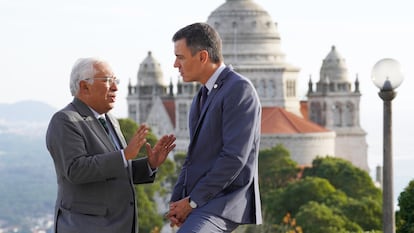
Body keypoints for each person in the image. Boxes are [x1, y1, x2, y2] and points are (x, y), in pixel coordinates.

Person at [46, 57, 176, 233]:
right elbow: (76, 170)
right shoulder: (65, 120)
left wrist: (149, 164)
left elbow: (117, 171)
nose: (115, 88)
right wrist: (124, 155)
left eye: (116, 81)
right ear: (84, 86)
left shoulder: (110, 120)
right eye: (108, 81)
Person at [167, 22, 262, 232]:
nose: (175, 64)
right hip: (202, 201)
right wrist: (177, 202)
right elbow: (193, 158)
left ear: (202, 57)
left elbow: (234, 158)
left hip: (225, 202)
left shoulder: (239, 89)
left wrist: (192, 202)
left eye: (180, 57)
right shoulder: (200, 97)